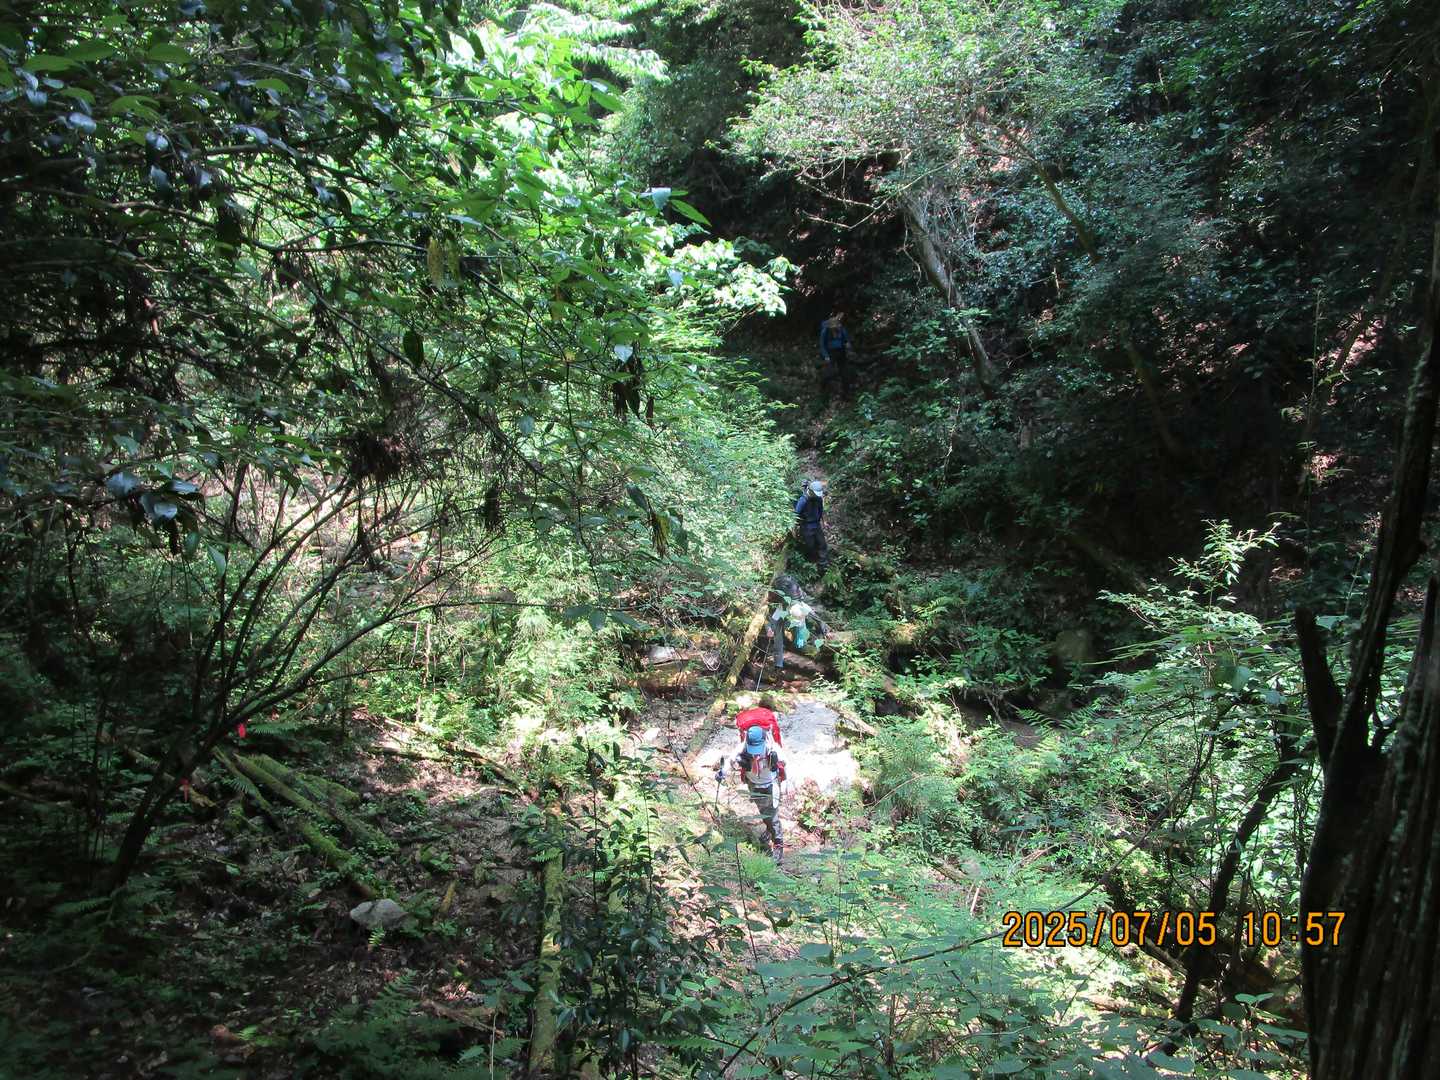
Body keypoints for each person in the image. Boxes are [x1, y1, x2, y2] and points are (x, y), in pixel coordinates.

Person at [716, 718, 786, 861]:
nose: (755, 754)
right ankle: (769, 830)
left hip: (770, 784)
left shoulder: (773, 749)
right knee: (763, 811)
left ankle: (778, 845)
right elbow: (731, 760)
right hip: (754, 784)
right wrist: (722, 772)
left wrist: (784, 785)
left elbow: (784, 764)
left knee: (772, 816)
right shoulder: (743, 747)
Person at [766, 592, 827, 668]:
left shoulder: (801, 605)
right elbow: (773, 621)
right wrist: (769, 629)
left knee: (800, 645)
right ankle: (779, 662)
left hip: (799, 627)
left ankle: (817, 654)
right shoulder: (783, 607)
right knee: (788, 640)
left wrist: (824, 630)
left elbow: (816, 617)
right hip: (789, 626)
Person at [794, 479, 829, 570]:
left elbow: (821, 510)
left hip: (816, 524)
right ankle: (811, 565)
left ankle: (823, 565)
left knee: (822, 544)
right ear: (811, 491)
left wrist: (824, 522)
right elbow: (796, 514)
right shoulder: (803, 500)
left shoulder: (818, 499)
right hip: (806, 526)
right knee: (810, 546)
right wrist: (795, 527)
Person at [818, 312, 853, 399]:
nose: (835, 328)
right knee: (829, 373)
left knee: (845, 374)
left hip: (841, 352)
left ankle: (846, 394)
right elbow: (822, 345)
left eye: (836, 326)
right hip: (830, 353)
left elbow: (847, 341)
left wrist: (848, 345)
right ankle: (823, 387)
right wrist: (826, 356)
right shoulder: (825, 332)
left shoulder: (842, 330)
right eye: (833, 327)